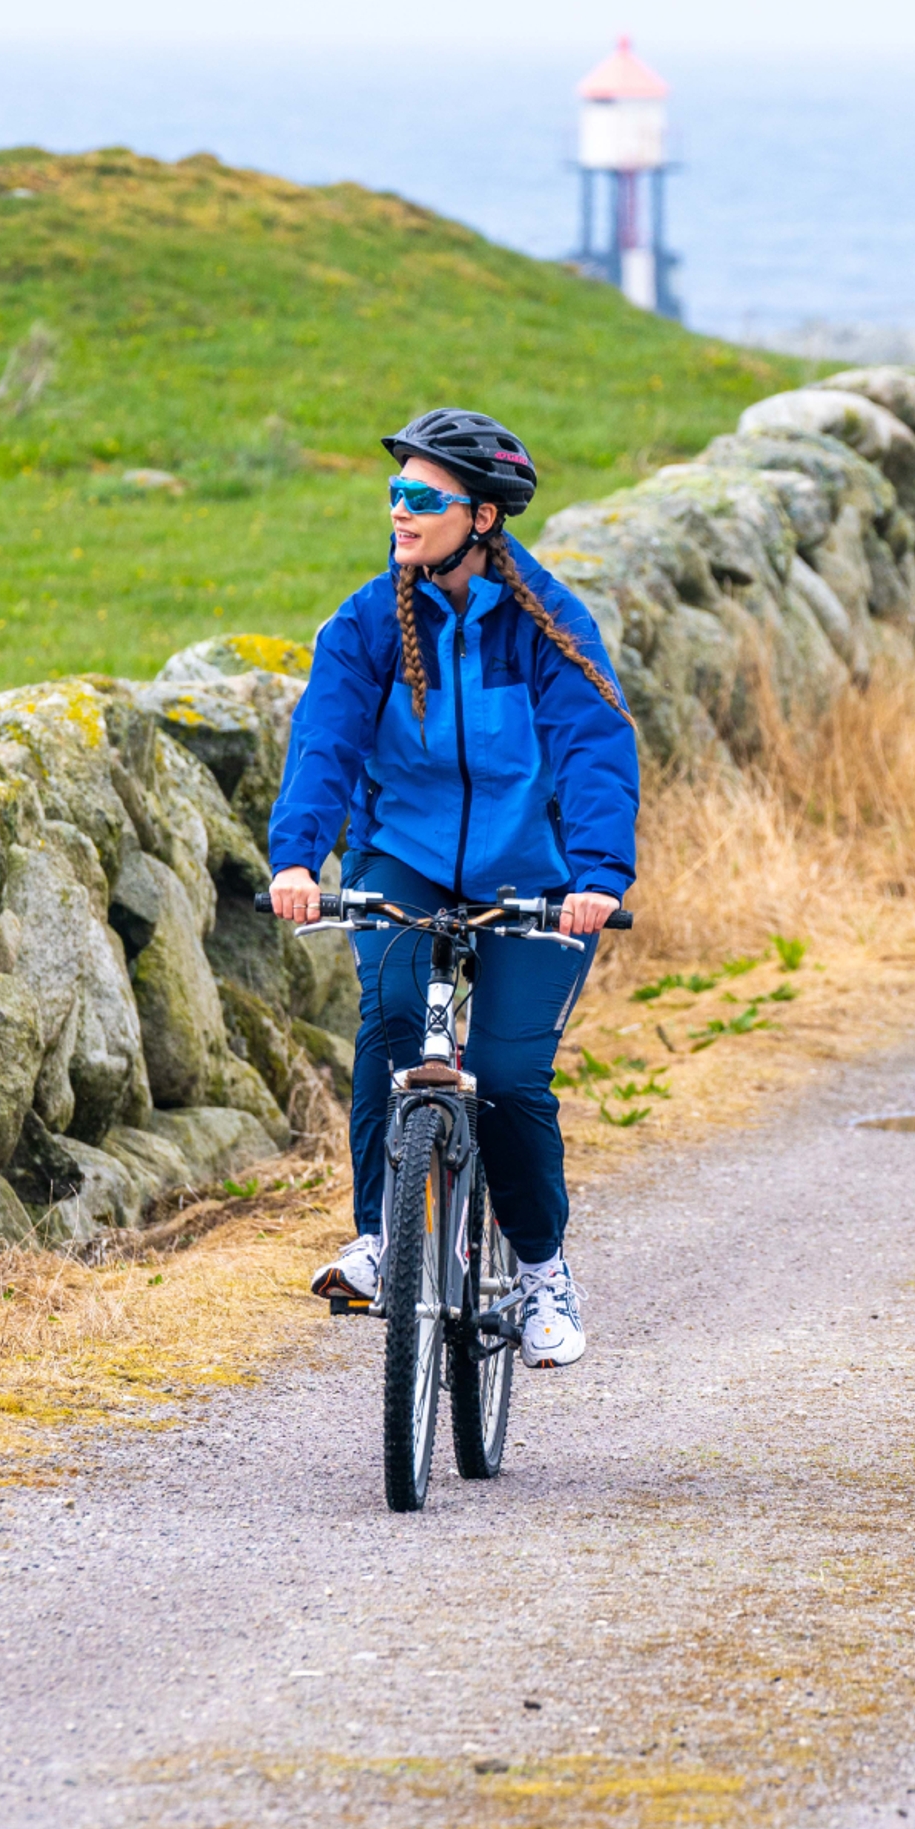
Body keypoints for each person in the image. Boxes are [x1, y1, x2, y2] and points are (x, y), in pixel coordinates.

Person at [265, 407, 639, 1367]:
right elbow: (326, 742)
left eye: (422, 498)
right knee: (391, 1026)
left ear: (482, 517)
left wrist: (597, 877)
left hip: (538, 879)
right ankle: (382, 1239)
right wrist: (300, 859)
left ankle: (544, 1274)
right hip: (407, 861)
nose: (400, 510)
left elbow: (594, 749)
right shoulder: (368, 625)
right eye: (395, 492)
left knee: (510, 1082)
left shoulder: (546, 625)